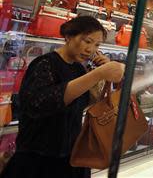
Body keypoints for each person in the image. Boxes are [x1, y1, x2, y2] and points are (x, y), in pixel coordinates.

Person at [1, 16, 125, 178]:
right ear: (68, 36)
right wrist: (97, 74)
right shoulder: (45, 64)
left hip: (71, 156)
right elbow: (41, 103)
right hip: (39, 158)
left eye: (96, 45)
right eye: (87, 41)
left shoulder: (79, 69)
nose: (91, 49)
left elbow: (84, 103)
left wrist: (102, 76)